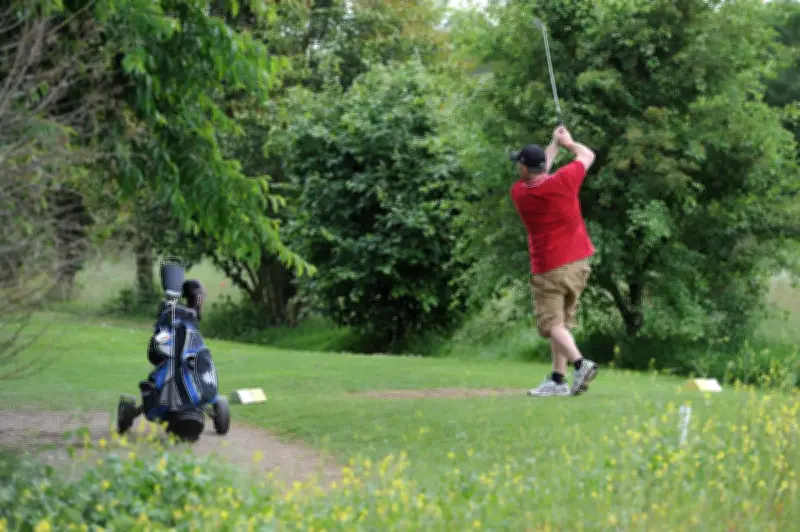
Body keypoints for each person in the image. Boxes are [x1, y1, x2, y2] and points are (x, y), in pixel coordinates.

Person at [509, 125, 599, 397]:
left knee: (551, 325)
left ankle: (581, 364)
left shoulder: (521, 193)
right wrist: (566, 143)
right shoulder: (564, 180)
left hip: (549, 266)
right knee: (562, 324)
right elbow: (587, 155)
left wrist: (554, 144)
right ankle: (558, 380)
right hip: (579, 262)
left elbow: (540, 171)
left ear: (524, 169)